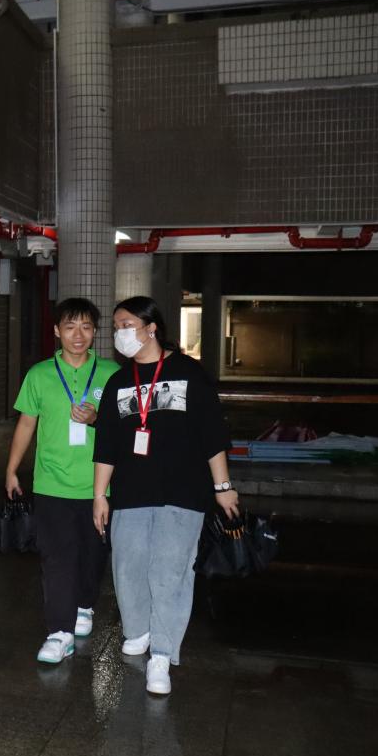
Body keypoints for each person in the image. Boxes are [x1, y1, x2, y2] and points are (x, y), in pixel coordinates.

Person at [92, 296, 238, 696]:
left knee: (169, 572)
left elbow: (212, 435)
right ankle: (138, 630)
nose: (120, 333)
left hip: (183, 491)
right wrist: (99, 494)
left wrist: (223, 488)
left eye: (127, 325)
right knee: (127, 566)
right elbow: (106, 444)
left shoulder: (188, 372)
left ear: (151, 327)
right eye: (116, 327)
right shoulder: (119, 381)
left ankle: (162, 653)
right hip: (131, 491)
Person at [5, 298, 118, 664]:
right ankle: (59, 632)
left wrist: (97, 418)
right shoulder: (39, 374)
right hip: (51, 482)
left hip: (100, 486)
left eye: (86, 327)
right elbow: (27, 423)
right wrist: (11, 468)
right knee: (56, 558)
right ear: (57, 331)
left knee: (93, 554)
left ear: (95, 332)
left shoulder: (112, 373)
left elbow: (125, 426)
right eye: (70, 327)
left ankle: (85, 603)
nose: (78, 335)